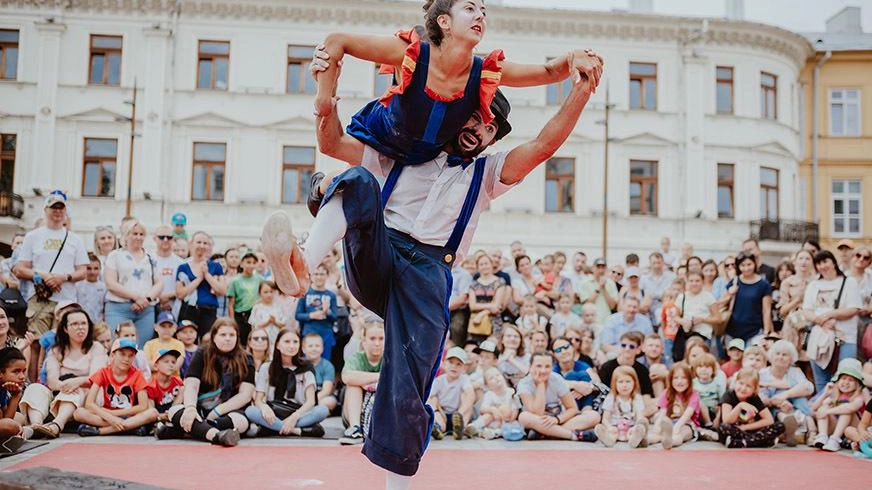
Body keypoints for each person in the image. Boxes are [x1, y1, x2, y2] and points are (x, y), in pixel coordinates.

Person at [264, 49, 598, 482]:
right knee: (358, 182)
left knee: (408, 385)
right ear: (458, 117)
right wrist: (326, 89)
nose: (479, 129)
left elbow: (543, 145)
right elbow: (331, 143)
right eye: (475, 119)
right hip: (380, 254)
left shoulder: (487, 175)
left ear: (493, 138)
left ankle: (393, 484)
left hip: (427, 275)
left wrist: (580, 93)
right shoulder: (401, 152)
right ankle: (302, 266)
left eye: (489, 128)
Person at [314, 0, 602, 166]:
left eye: (483, 11)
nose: (480, 15)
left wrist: (573, 56)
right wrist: (324, 99)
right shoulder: (411, 53)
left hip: (424, 159)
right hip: (380, 139)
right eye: (469, 8)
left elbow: (548, 72)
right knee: (344, 183)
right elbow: (336, 41)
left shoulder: (483, 70)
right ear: (444, 21)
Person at [13, 191, 89, 382]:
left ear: (65, 212)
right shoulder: (33, 236)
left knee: (63, 344)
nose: (57, 211)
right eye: (53, 207)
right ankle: (33, 385)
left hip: (66, 299)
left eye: (60, 208)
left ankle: (56, 384)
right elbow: (20, 268)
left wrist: (64, 277)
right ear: (45, 210)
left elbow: (83, 271)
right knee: (36, 343)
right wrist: (42, 276)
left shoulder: (75, 239)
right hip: (39, 299)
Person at [156, 318, 254, 446]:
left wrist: (218, 411)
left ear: (237, 337)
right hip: (200, 407)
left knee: (242, 422)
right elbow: (191, 384)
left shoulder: (246, 358)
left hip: (228, 410)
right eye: (223, 335)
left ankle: (184, 430)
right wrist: (190, 408)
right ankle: (217, 436)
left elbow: (245, 395)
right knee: (175, 410)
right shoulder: (202, 353)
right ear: (214, 336)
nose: (228, 338)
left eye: (232, 335)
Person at [19, 308, 108, 438]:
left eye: (84, 323)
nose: (80, 328)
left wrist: (75, 382)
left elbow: (95, 377)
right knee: (35, 388)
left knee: (73, 391)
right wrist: (66, 385)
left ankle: (57, 425)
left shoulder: (96, 348)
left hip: (88, 395)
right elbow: (52, 381)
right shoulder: (56, 350)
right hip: (60, 392)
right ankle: (37, 425)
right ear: (65, 328)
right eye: (75, 324)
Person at [244, 328, 327, 438]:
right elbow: (258, 399)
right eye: (287, 342)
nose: (292, 346)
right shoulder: (267, 367)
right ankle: (296, 431)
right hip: (274, 413)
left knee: (322, 410)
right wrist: (264, 407)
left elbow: (311, 402)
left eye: (295, 342)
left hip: (299, 413)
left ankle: (274, 429)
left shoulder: (306, 368)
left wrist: (294, 417)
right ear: (278, 345)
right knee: (250, 411)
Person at [802, 250, 861, 392]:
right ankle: (823, 412)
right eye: (819, 263)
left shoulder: (849, 282)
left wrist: (829, 315)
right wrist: (820, 320)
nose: (822, 266)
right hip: (819, 338)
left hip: (844, 338)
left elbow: (854, 309)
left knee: (845, 378)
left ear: (833, 262)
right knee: (821, 381)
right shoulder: (814, 285)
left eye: (825, 261)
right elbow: (807, 310)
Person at [73, 338, 156, 436]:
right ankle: (130, 428)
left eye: (131, 355)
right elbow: (89, 403)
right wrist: (110, 418)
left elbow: (143, 406)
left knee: (153, 413)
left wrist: (114, 416)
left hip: (129, 415)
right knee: (78, 413)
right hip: (107, 416)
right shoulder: (103, 372)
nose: (126, 359)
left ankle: (101, 431)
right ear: (113, 355)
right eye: (122, 354)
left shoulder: (137, 374)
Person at [103, 220, 162, 348]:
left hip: (145, 310)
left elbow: (159, 283)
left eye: (141, 234)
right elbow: (110, 283)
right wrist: (136, 297)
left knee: (141, 348)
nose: (138, 237)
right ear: (126, 235)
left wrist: (146, 299)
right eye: (134, 233)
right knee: (118, 345)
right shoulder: (115, 255)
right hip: (118, 308)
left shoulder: (151, 257)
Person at [516, 351, 598, 441]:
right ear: (530, 367)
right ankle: (573, 435)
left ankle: (547, 433)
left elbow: (572, 408)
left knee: (594, 416)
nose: (543, 370)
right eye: (538, 366)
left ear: (552, 367)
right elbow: (537, 413)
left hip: (557, 420)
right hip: (537, 421)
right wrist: (540, 384)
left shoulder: (557, 379)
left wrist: (557, 419)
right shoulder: (524, 384)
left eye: (547, 366)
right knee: (523, 417)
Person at [758, 340, 813, 447]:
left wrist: (785, 395)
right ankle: (789, 429)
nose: (780, 357)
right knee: (774, 393)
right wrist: (776, 401)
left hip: (792, 406)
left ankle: (805, 431)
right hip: (771, 408)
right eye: (777, 354)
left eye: (785, 355)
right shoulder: (762, 373)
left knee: (799, 398)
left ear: (791, 359)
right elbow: (759, 396)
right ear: (771, 356)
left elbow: (808, 387)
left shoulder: (795, 372)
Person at [339, 321, 384, 445]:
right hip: (354, 413)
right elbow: (347, 377)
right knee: (353, 385)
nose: (377, 343)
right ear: (363, 341)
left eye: (381, 338)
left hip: (379, 411)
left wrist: (366, 381)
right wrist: (379, 377)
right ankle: (355, 429)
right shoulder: (356, 358)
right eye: (372, 338)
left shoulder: (391, 358)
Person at [175, 231, 226, 340]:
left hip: (208, 310)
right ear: (191, 244)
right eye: (198, 242)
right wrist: (199, 279)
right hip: (189, 309)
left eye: (205, 243)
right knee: (186, 341)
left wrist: (207, 275)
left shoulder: (215, 266)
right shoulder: (183, 267)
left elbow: (222, 290)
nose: (202, 246)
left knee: (208, 341)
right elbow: (180, 294)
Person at [717, 368, 784, 448]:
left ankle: (742, 443)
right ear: (735, 383)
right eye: (741, 383)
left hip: (750, 431)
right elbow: (726, 420)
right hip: (734, 431)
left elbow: (769, 420)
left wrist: (745, 427)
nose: (743, 388)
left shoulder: (754, 398)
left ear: (754, 389)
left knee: (780, 425)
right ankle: (761, 442)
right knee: (723, 427)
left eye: (748, 386)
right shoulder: (728, 395)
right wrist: (740, 406)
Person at [810, 360, 864, 451]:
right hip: (836, 428)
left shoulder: (859, 397)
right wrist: (825, 394)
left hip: (852, 430)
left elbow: (850, 408)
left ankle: (835, 439)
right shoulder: (834, 396)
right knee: (823, 407)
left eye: (851, 380)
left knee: (846, 411)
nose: (846, 382)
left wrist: (828, 411)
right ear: (837, 381)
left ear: (857, 384)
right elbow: (812, 409)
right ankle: (823, 436)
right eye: (843, 378)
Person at [646, 362, 701, 449]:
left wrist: (677, 427)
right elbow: (662, 412)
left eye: (684, 378)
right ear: (670, 380)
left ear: (690, 380)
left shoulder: (694, 394)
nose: (679, 381)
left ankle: (670, 442)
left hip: (687, 424)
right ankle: (644, 439)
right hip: (669, 423)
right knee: (657, 433)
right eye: (675, 378)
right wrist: (657, 426)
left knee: (681, 434)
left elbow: (687, 414)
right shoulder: (666, 393)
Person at [724, 251, 773, 345]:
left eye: (749, 264)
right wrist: (730, 293)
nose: (746, 268)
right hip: (733, 330)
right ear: (738, 266)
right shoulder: (734, 281)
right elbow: (720, 303)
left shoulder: (764, 285)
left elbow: (766, 310)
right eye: (742, 265)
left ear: (755, 264)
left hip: (754, 331)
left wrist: (766, 332)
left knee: (752, 358)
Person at [593, 365, 647, 448]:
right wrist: (609, 427)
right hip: (615, 428)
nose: (624, 385)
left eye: (628, 381)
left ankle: (634, 440)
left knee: (640, 427)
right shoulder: (611, 397)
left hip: (631, 428)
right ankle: (608, 440)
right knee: (611, 434)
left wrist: (635, 427)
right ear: (615, 384)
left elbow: (640, 418)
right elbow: (605, 419)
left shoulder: (637, 398)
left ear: (634, 383)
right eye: (620, 382)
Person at [428, 347, 474, 440]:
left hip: (458, 414)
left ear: (464, 368)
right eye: (451, 363)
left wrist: (459, 413)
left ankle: (460, 427)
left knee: (466, 396)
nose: (454, 367)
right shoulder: (439, 380)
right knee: (433, 399)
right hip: (442, 414)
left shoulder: (464, 379)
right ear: (444, 364)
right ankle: (438, 428)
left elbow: (470, 395)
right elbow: (429, 398)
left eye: (458, 364)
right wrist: (438, 410)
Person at [295, 264, 337, 360]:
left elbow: (335, 317)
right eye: (316, 274)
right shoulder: (305, 293)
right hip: (309, 332)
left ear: (327, 275)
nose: (319, 277)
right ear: (311, 276)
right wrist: (311, 315)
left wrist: (327, 311)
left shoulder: (331, 295)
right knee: (308, 361)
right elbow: (297, 315)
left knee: (325, 360)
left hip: (326, 333)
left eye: (322, 274)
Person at [463, 366, 516, 439]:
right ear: (487, 386)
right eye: (491, 378)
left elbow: (515, 409)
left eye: (498, 375)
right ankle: (473, 427)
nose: (496, 378)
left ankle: (493, 433)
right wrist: (493, 410)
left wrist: (508, 419)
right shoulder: (489, 394)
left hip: (505, 421)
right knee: (488, 416)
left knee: (512, 424)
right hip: (491, 421)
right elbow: (482, 409)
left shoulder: (511, 392)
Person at [226, 250, 263, 345]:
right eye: (248, 262)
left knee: (255, 341)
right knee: (241, 342)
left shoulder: (260, 279)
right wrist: (232, 321)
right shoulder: (235, 281)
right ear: (241, 264)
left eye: (254, 263)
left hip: (256, 315)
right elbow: (231, 304)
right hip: (240, 316)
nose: (251, 265)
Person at [152, 225, 184, 318]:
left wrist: (167, 297)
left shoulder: (181, 263)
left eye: (169, 237)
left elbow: (185, 287)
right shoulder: (148, 259)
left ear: (173, 239)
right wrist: (159, 298)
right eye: (161, 237)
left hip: (174, 308)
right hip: (150, 306)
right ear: (154, 238)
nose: (165, 240)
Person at [0, 347, 28, 453]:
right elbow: (7, 422)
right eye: (16, 372)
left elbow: (7, 416)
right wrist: (16, 428)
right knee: (12, 425)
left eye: (23, 371)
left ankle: (8, 439)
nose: (22, 377)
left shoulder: (3, 387)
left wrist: (16, 395)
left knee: (19, 417)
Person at [146, 348, 184, 423]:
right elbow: (150, 410)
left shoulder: (178, 382)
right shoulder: (150, 384)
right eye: (166, 362)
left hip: (172, 413)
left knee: (184, 388)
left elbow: (178, 404)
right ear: (156, 366)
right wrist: (161, 416)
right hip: (156, 417)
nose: (171, 365)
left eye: (173, 362)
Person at [302, 333, 338, 412]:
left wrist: (310, 402)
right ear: (303, 349)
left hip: (319, 396)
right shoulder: (300, 364)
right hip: (302, 397)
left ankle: (312, 411)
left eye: (317, 346)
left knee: (330, 401)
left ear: (322, 348)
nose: (314, 349)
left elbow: (326, 390)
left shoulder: (327, 365)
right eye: (310, 346)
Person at [142, 312, 186, 376]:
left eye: (170, 326)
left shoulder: (179, 344)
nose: (167, 329)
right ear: (155, 327)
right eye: (163, 326)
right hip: (155, 381)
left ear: (175, 328)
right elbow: (147, 365)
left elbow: (177, 364)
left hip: (174, 381)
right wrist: (168, 366)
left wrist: (158, 365)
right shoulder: (149, 344)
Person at [578, 258, 618, 323]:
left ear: (606, 269)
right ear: (593, 268)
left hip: (606, 320)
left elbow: (612, 306)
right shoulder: (585, 283)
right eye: (598, 267)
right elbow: (587, 304)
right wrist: (599, 287)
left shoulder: (611, 283)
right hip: (590, 322)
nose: (601, 270)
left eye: (603, 267)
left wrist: (604, 287)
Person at [248, 281, 287, 349]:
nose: (269, 294)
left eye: (271, 292)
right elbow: (254, 326)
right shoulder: (257, 308)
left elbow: (283, 324)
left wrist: (275, 322)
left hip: (275, 339)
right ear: (260, 293)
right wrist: (267, 322)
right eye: (266, 292)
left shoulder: (278, 307)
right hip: (261, 340)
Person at [691, 353, 724, 428]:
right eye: (700, 366)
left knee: (722, 407)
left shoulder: (717, 385)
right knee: (699, 402)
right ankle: (708, 423)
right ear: (695, 370)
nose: (703, 369)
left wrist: (718, 416)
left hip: (712, 411)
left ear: (713, 370)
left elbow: (723, 401)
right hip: (696, 412)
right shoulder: (693, 383)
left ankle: (714, 425)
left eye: (707, 367)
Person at [75, 253, 105, 324]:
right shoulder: (77, 286)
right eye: (89, 268)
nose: (92, 272)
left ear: (100, 269)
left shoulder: (104, 287)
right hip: (81, 323)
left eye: (96, 268)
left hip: (98, 324)